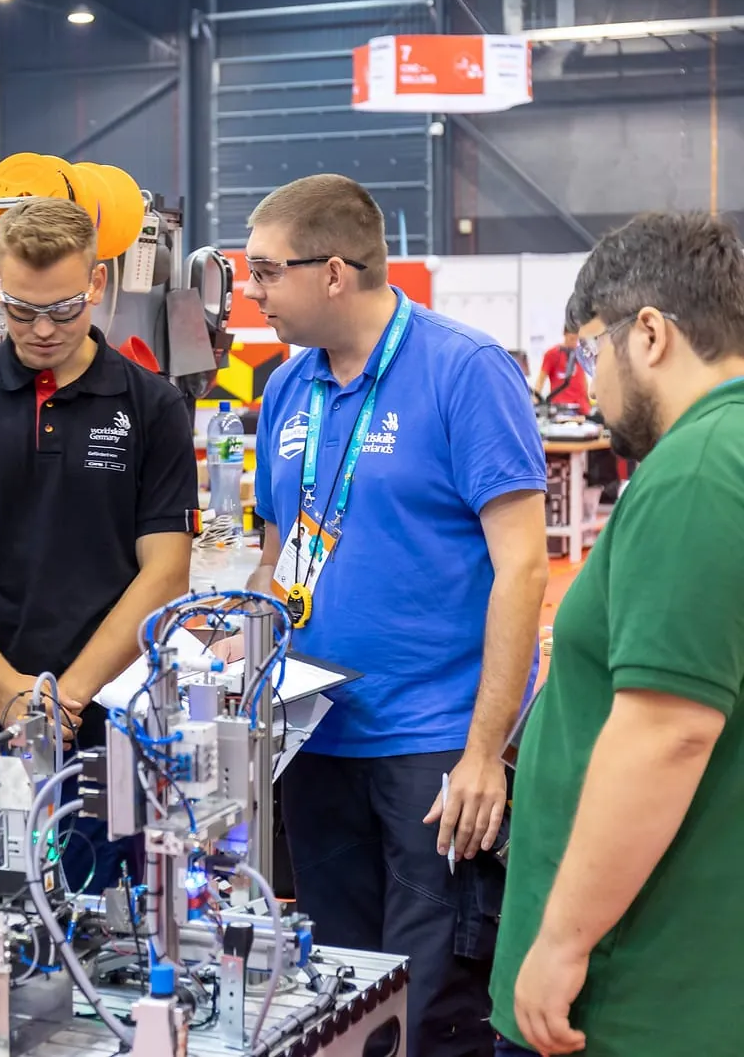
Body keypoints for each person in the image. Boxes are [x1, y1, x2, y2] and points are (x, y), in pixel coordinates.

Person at [238, 174, 548, 1057]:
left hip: (432, 747)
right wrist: (236, 636)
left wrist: (486, 751)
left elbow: (521, 565)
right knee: (340, 997)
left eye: (266, 271)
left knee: (431, 1007)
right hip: (316, 738)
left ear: (333, 272)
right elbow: (278, 554)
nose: (253, 292)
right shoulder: (287, 391)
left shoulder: (464, 369)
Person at [491, 213, 744, 1057]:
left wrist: (561, 942)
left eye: (593, 350)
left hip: (637, 993)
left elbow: (668, 730)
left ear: (651, 333)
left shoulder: (700, 469)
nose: (590, 382)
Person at [0, 197, 196, 886]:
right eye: (19, 309)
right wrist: (5, 690)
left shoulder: (151, 406)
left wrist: (65, 699)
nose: (42, 329)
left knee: (101, 922)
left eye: (65, 309)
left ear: (98, 283)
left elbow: (164, 573)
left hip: (104, 721)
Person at [533, 322, 591, 414]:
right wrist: (535, 399)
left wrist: (588, 401)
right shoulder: (552, 354)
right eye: (572, 339)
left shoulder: (579, 353)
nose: (574, 343)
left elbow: (583, 380)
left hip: (581, 407)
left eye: (577, 339)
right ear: (565, 334)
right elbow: (541, 379)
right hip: (561, 408)